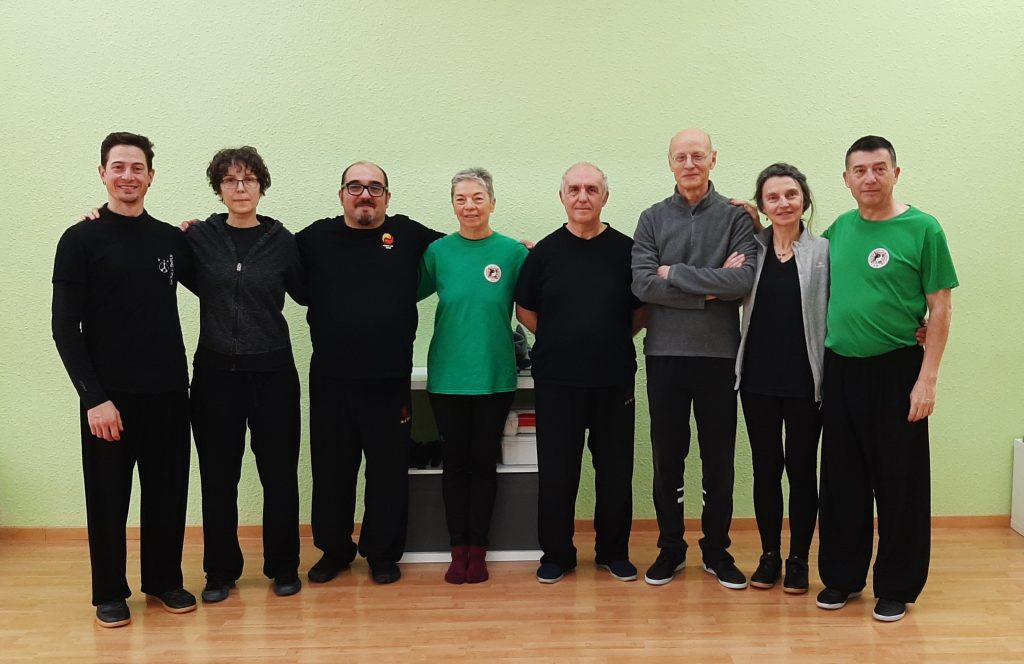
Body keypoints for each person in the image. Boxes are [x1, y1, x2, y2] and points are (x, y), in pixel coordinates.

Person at [52, 132, 197, 627]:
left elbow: (219, 279)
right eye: (118, 167)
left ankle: (164, 580)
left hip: (169, 392)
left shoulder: (171, 241)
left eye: (137, 168)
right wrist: (94, 398)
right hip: (108, 399)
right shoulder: (79, 240)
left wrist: (204, 231)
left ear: (151, 176)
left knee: (167, 494)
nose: (128, 176)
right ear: (103, 174)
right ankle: (110, 592)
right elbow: (64, 328)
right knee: (108, 500)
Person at [815, 136, 957, 622]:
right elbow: (796, 256)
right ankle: (842, 577)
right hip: (841, 370)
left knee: (901, 483)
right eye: (860, 170)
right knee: (842, 482)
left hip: (898, 370)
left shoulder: (923, 229)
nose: (869, 178)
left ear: (896, 173)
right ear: (846, 179)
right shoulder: (838, 230)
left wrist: (927, 380)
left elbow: (941, 307)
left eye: (879, 168)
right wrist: (752, 218)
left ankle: (896, 585)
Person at [296, 162, 443, 585]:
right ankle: (334, 551)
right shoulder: (313, 238)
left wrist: (516, 249)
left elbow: (463, 247)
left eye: (375, 187)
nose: (365, 194)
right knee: (332, 472)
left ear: (387, 197)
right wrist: (202, 231)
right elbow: (262, 247)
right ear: (341, 194)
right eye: (356, 186)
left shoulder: (409, 234)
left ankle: (382, 553)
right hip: (332, 379)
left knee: (388, 472)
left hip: (388, 380)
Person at [631, 128, 757, 588]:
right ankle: (670, 548)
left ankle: (717, 550)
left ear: (713, 160)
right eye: (681, 156)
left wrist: (676, 275)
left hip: (719, 356)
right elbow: (643, 284)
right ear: (670, 162)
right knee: (668, 457)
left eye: (698, 156)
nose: (690, 164)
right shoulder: (651, 218)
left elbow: (742, 282)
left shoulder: (736, 217)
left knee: (718, 459)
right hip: (665, 354)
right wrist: (708, 288)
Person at [515, 163, 645, 584]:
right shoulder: (544, 254)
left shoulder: (627, 251)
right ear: (562, 197)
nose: (583, 196)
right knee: (557, 473)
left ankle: (613, 552)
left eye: (591, 189)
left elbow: (641, 310)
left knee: (615, 472)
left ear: (605, 196)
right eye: (574, 189)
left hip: (614, 379)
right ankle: (557, 555)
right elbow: (525, 310)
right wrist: (561, 337)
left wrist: (606, 337)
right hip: (557, 381)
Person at [186, 147, 306, 602]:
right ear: (218, 188)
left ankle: (284, 566)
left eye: (249, 179)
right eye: (231, 180)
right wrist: (98, 216)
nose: (240, 188)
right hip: (215, 376)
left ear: (261, 187)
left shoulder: (282, 241)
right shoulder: (198, 238)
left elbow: (311, 291)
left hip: (273, 374)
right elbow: (147, 245)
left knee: (279, 476)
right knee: (219, 478)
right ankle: (220, 572)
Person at [418, 168, 529, 584]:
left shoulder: (513, 253)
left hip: (494, 376)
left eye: (478, 198)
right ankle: (457, 549)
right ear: (453, 206)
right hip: (447, 377)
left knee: (483, 465)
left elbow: (541, 293)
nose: (470, 206)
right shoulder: (437, 253)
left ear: (492, 203)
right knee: (455, 465)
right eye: (461, 199)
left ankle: (478, 550)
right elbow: (399, 291)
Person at [733, 163, 828, 594]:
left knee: (802, 470)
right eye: (773, 197)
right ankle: (769, 555)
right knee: (766, 470)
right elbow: (726, 284)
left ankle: (798, 559)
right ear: (762, 205)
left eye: (791, 194)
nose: (783, 203)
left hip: (807, 383)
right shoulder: (752, 250)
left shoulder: (824, 251)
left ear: (803, 199)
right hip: (757, 380)